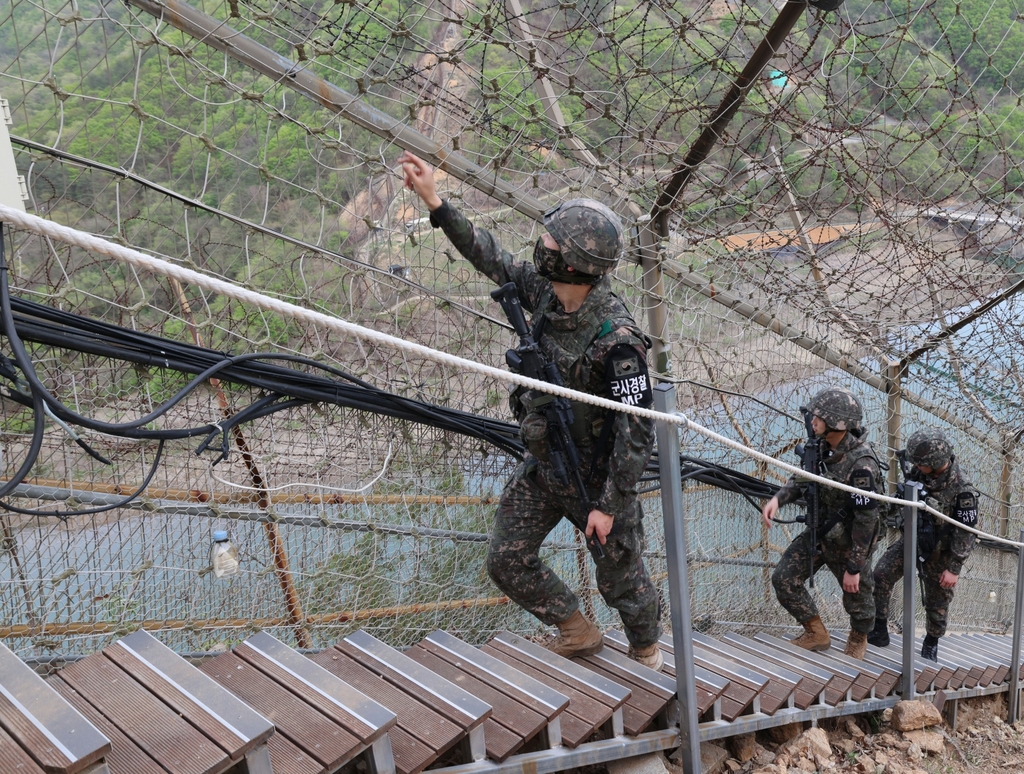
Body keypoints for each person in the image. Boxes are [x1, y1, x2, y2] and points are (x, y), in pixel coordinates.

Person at [397, 151, 664, 670]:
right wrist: (434, 200)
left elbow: (637, 432)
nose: (539, 248)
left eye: (550, 244)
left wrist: (608, 505)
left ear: (574, 263)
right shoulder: (543, 292)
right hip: (548, 464)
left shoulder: (619, 340)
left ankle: (647, 654)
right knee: (507, 559)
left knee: (622, 583)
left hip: (599, 478)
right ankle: (576, 628)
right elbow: (489, 255)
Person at [762, 388, 883, 660]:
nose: (812, 420)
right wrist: (777, 500)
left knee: (858, 599)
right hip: (819, 533)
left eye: (818, 417)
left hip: (851, 541)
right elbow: (803, 477)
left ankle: (858, 638)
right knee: (784, 578)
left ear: (836, 423)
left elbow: (867, 520)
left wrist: (854, 566)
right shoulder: (820, 446)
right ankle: (816, 632)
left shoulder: (862, 464)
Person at [867, 427, 979, 661]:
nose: (916, 467)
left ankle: (931, 641)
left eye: (921, 464)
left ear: (937, 463)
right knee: (881, 574)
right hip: (914, 538)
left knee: (937, 601)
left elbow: (966, 532)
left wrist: (954, 568)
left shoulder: (962, 490)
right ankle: (879, 628)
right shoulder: (921, 473)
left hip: (942, 551)